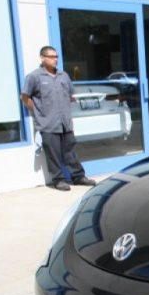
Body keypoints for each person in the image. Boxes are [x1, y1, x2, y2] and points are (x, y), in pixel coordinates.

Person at [21, 46, 96, 191]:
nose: (55, 59)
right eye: (51, 57)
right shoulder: (34, 77)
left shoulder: (64, 75)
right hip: (47, 123)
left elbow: (70, 95)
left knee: (70, 151)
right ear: (42, 58)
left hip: (65, 122)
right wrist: (38, 111)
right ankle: (58, 180)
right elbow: (24, 97)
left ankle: (78, 176)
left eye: (56, 57)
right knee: (53, 154)